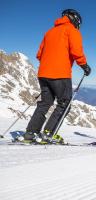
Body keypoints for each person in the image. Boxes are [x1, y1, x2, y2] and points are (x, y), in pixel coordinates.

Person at [23, 9, 91, 143]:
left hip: (43, 73)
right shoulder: (72, 31)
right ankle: (49, 133)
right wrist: (84, 66)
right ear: (75, 19)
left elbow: (39, 55)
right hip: (60, 74)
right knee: (64, 104)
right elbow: (76, 51)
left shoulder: (49, 32)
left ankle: (30, 132)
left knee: (45, 103)